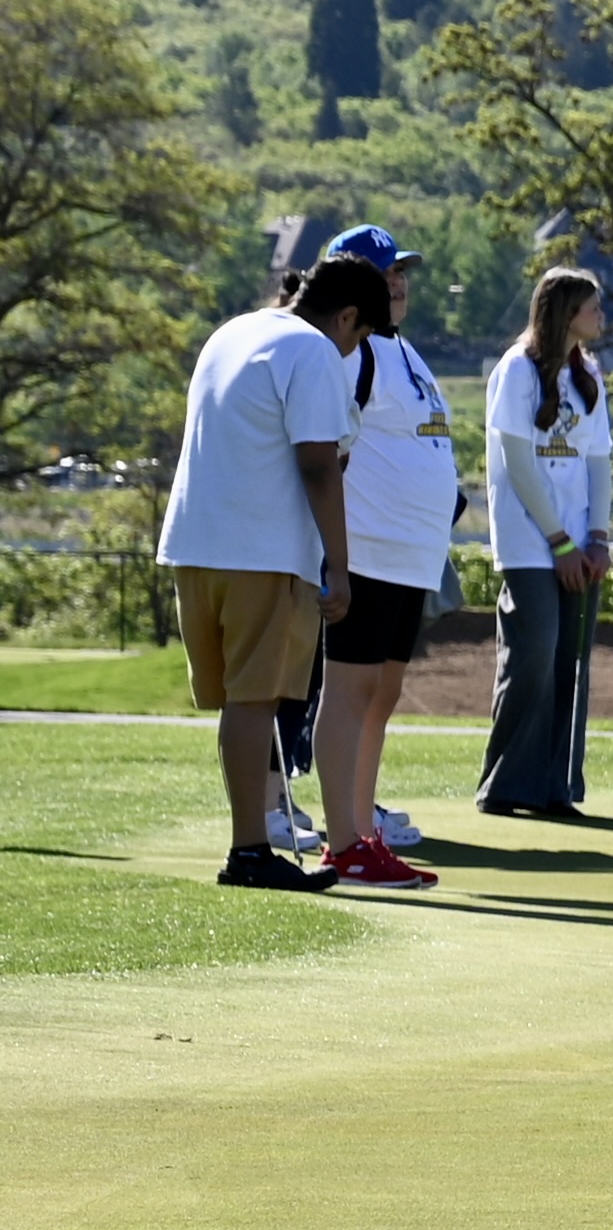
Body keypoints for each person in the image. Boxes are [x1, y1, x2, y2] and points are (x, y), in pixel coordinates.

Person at [154, 242, 362, 892]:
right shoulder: (314, 349)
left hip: (195, 544)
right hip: (261, 550)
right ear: (348, 317)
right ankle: (248, 851)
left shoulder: (233, 331)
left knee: (239, 703)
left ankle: (249, 842)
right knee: (255, 700)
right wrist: (341, 565)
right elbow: (319, 464)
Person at [285, 245, 453, 894]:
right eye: (386, 274)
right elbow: (330, 442)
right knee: (350, 694)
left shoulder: (403, 350)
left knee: (379, 698)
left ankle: (362, 830)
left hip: (411, 555)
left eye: (404, 271)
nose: (399, 283)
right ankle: (345, 841)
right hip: (371, 549)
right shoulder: (350, 349)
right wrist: (335, 554)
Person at [473, 263, 612, 818]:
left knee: (567, 662)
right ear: (563, 313)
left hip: (579, 542)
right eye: (591, 307)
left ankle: (555, 787)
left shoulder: (590, 375)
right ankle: (506, 784)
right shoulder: (516, 371)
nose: (601, 316)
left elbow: (598, 460)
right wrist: (558, 542)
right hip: (533, 541)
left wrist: (596, 536)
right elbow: (519, 462)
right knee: (533, 653)